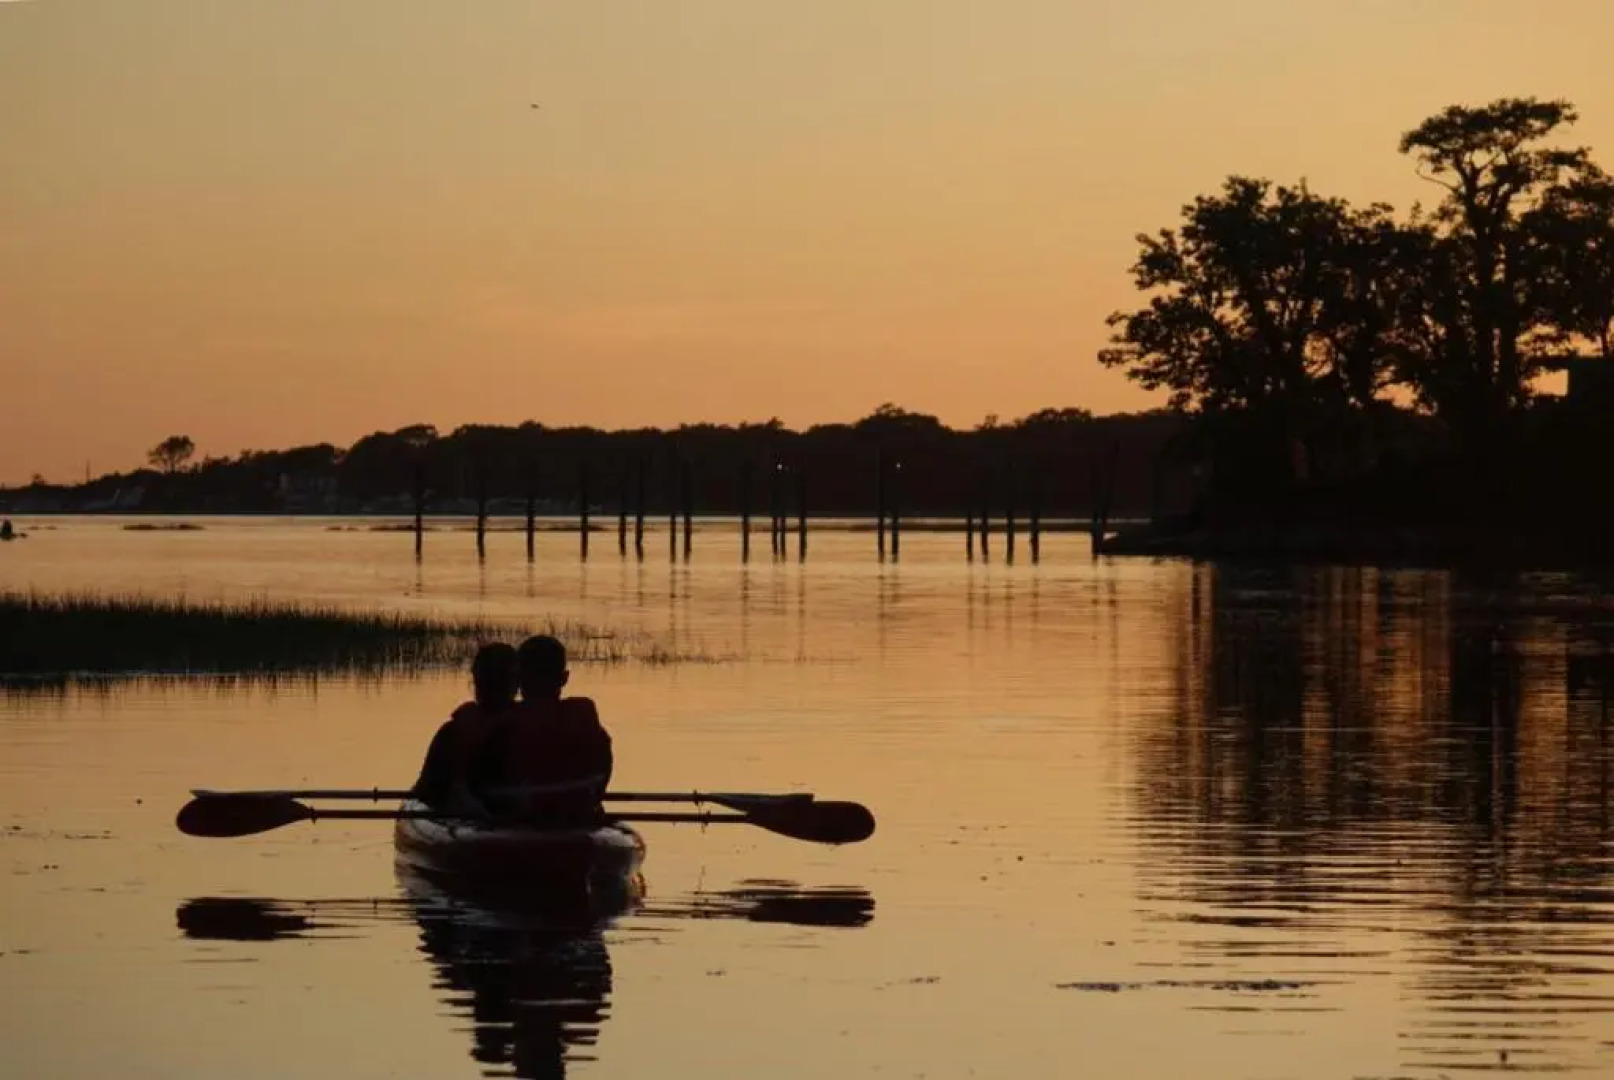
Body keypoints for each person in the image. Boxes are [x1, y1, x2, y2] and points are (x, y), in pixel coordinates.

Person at [472, 634, 614, 827]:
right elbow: (602, 769)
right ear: (564, 678)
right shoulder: (584, 716)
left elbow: (480, 781)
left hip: (516, 816)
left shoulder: (498, 720)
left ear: (518, 679)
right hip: (575, 814)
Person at [411, 641, 519, 815]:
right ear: (516, 684)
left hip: (477, 815)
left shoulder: (452, 732)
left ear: (476, 682)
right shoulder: (533, 725)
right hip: (505, 814)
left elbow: (424, 792)